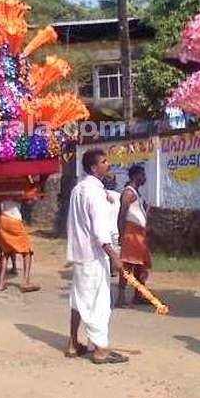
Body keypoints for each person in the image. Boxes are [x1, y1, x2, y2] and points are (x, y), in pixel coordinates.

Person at [66, 149, 127, 364]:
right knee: (98, 302)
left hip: (80, 254)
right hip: (93, 255)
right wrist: (115, 257)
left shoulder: (80, 189)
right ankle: (101, 349)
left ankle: (73, 343)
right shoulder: (94, 193)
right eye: (104, 161)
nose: (108, 164)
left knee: (79, 298)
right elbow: (100, 231)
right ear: (94, 168)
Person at [117, 165, 152, 307]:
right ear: (135, 176)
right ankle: (120, 297)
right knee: (128, 265)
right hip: (131, 233)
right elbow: (122, 213)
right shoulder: (128, 193)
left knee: (141, 265)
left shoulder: (136, 193)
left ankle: (138, 295)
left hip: (139, 233)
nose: (144, 178)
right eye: (142, 175)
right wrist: (120, 233)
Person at [0, 197, 39, 293]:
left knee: (6, 252)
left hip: (3, 220)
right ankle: (25, 282)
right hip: (14, 221)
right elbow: (27, 200)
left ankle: (1, 283)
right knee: (27, 250)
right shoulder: (18, 187)